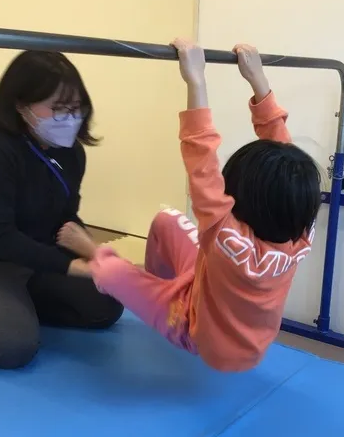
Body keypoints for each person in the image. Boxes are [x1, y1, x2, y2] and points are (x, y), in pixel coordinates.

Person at [58, 40, 321, 373]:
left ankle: (106, 262)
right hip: (221, 302)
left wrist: (196, 80)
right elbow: (283, 159)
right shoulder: (300, 231)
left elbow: (202, 158)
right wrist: (258, 80)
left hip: (196, 333)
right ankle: (162, 291)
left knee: (110, 272)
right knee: (166, 221)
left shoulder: (225, 236)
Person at [0, 51, 124, 369]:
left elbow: (66, 215)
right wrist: (73, 267)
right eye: (58, 108)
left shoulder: (70, 151)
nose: (70, 118)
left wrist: (92, 251)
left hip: (36, 252)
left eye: (76, 108)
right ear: (20, 104)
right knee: (10, 348)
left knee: (107, 306)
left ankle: (14, 305)